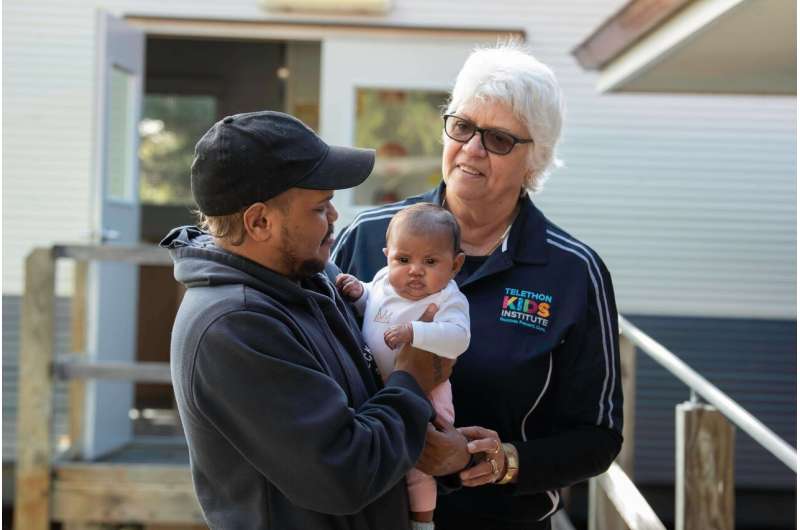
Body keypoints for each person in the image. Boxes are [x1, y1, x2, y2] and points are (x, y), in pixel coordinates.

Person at [332, 42, 623, 530]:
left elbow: (597, 437)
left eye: (499, 139)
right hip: (367, 518)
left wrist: (501, 461)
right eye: (463, 126)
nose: (471, 149)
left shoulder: (573, 272)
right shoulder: (367, 238)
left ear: (537, 159)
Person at [162, 110, 453, 530]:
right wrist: (411, 379)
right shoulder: (232, 326)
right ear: (260, 221)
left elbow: (371, 407)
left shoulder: (315, 276)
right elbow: (345, 473)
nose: (335, 216)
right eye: (320, 207)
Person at [335, 203, 470, 529]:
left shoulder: (448, 299)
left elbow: (458, 338)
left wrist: (416, 332)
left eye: (430, 262)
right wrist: (359, 294)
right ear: (387, 256)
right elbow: (374, 303)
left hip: (428, 393)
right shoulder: (383, 280)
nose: (415, 271)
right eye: (403, 260)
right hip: (376, 386)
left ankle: (423, 520)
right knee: (376, 449)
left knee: (418, 458)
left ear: (455, 265)